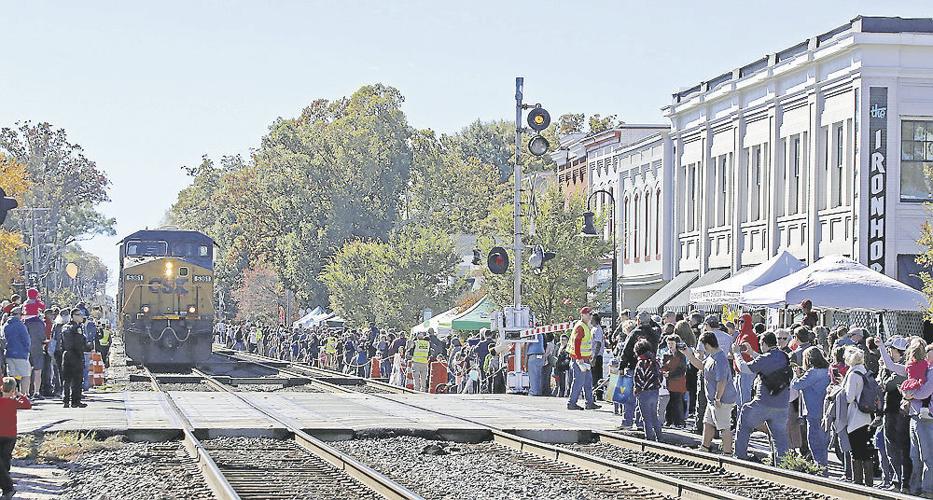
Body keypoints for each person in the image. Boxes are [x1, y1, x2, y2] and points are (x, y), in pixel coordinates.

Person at [732, 331, 791, 464]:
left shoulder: (764, 359)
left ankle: (739, 456)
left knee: (744, 420)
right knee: (780, 438)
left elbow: (744, 368)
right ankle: (783, 465)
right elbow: (768, 363)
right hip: (782, 406)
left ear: (764, 343)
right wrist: (752, 353)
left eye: (760, 344)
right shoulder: (783, 356)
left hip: (763, 402)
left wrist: (737, 353)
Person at [683, 331, 735, 455]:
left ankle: (728, 453)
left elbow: (722, 380)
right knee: (708, 423)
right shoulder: (712, 356)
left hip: (721, 399)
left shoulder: (720, 359)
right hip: (713, 399)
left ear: (707, 345)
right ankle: (705, 447)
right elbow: (702, 366)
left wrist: (717, 398)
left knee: (724, 426)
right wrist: (688, 355)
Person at [838, 346, 875, 486]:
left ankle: (857, 482)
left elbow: (848, 397)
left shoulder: (853, 374)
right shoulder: (865, 372)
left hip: (855, 416)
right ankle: (869, 482)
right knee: (865, 450)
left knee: (856, 450)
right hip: (867, 416)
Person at [790, 346, 831, 470]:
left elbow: (796, 385)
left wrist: (797, 375)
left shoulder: (812, 372)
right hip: (826, 410)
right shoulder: (827, 370)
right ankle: (823, 463)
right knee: (824, 439)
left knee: (814, 440)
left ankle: (820, 465)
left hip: (813, 411)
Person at [0, 376, 31, 500]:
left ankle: (7, 487)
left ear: (1, 388)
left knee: (2, 461)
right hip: (11, 435)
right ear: (14, 389)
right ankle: (6, 486)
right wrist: (18, 394)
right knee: (5, 459)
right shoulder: (14, 402)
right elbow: (27, 405)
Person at [567, 307, 599, 411]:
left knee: (587, 381)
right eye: (588, 314)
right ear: (583, 315)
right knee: (579, 381)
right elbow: (577, 343)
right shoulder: (581, 327)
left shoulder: (584, 326)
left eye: (590, 314)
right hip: (579, 359)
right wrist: (579, 358)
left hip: (584, 359)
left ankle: (589, 402)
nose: (590, 316)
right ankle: (572, 403)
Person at [61, 308, 91, 408]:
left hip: (67, 354)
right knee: (76, 379)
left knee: (67, 379)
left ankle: (66, 401)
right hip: (75, 354)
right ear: (73, 316)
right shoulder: (76, 328)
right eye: (79, 314)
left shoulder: (65, 327)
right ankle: (75, 401)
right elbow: (78, 342)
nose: (81, 316)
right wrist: (86, 347)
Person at [633, 339, 662, 441]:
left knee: (646, 417)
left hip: (645, 392)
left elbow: (639, 379)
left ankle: (649, 438)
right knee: (654, 415)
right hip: (655, 391)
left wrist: (637, 389)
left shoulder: (641, 363)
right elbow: (660, 377)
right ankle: (659, 436)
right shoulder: (655, 361)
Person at [22, 288, 45, 399]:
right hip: (36, 345)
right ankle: (36, 391)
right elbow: (43, 306)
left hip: (24, 348)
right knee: (37, 369)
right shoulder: (39, 323)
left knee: (26, 370)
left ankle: (25, 392)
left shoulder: (25, 303)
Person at [659, 334, 687, 427]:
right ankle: (669, 420)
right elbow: (663, 366)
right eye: (668, 343)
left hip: (678, 381)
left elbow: (682, 369)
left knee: (677, 401)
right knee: (669, 402)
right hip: (669, 381)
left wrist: (669, 374)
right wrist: (664, 372)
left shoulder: (681, 355)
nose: (670, 345)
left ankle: (679, 422)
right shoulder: (666, 355)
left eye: (672, 343)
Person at [3, 308, 30, 394]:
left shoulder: (5, 325)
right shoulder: (20, 325)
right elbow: (26, 340)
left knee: (12, 376)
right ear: (18, 315)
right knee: (25, 375)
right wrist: (27, 350)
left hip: (8, 353)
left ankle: (12, 394)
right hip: (20, 354)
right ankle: (24, 394)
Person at [591, 313, 605, 399]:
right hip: (592, 355)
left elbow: (598, 343)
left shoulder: (598, 330)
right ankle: (594, 392)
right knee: (593, 376)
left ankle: (598, 394)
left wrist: (595, 357)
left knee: (597, 375)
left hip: (597, 356)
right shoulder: (593, 329)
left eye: (592, 319)